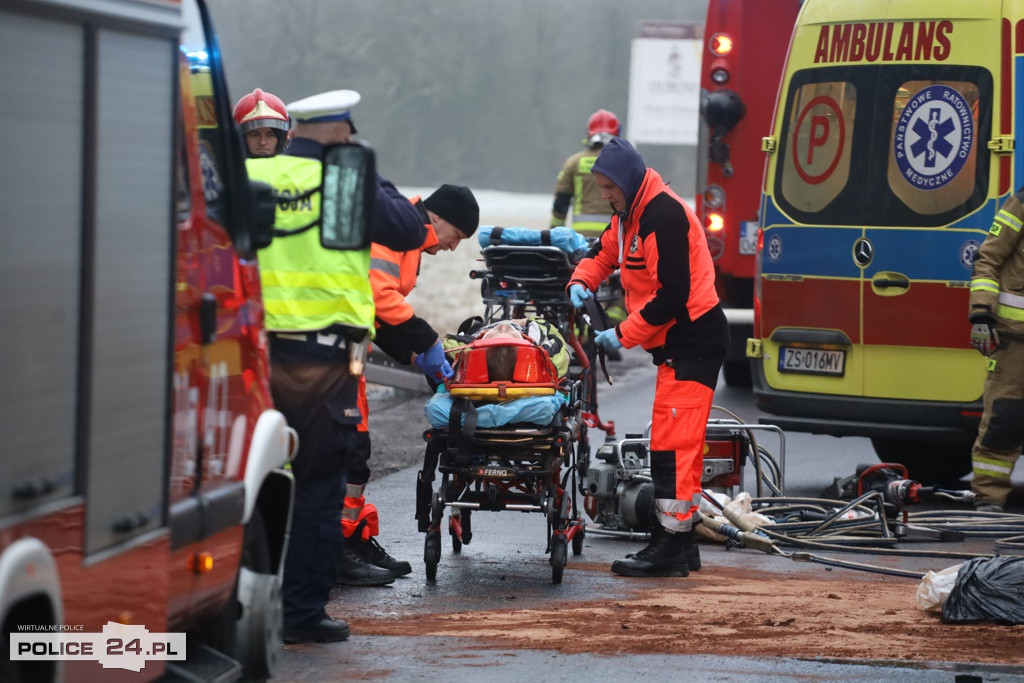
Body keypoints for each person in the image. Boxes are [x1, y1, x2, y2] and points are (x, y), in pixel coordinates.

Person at [246, 88, 427, 644]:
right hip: (324, 363)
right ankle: (300, 614)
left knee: (252, 482)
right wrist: (367, 171)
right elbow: (410, 230)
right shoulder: (348, 181)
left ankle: (238, 604)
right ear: (342, 133)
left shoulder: (255, 180)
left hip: (255, 358)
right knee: (318, 486)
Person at [566, 137, 729, 578]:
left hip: (693, 340)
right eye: (600, 186)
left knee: (673, 448)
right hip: (679, 345)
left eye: (608, 187)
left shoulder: (661, 215)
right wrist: (580, 281)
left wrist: (622, 334)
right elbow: (601, 254)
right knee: (678, 446)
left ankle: (670, 544)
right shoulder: (629, 216)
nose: (604, 195)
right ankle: (682, 541)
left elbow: (672, 296)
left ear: (628, 181)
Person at [338, 183, 480, 584]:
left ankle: (352, 536)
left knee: (354, 447)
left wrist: (414, 355)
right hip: (335, 347)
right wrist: (428, 342)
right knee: (350, 447)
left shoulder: (408, 238)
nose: (453, 248)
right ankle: (338, 547)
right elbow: (378, 296)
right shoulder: (395, 229)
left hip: (350, 348)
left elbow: (377, 316)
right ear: (439, 219)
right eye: (456, 238)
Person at [968, 189, 1024, 512]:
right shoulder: (1021, 204)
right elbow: (987, 258)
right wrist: (981, 314)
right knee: (1005, 418)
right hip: (1014, 339)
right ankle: (988, 496)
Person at [551, 109, 620, 238]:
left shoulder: (573, 163)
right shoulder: (624, 163)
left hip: (581, 238)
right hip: (615, 237)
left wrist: (554, 233)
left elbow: (561, 202)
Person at [233, 88, 290, 158]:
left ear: (282, 139)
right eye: (254, 135)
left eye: (270, 135)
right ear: (242, 139)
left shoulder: (296, 167)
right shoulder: (224, 167)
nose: (262, 142)